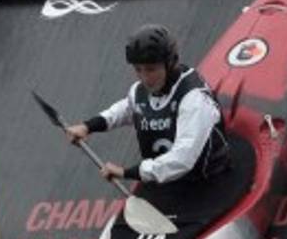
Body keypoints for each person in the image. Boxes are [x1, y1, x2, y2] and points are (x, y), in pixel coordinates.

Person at [64, 24, 229, 184]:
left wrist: (128, 173)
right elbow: (126, 109)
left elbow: (183, 159)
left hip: (207, 182)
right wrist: (88, 126)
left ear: (170, 64)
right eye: (138, 69)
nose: (144, 78)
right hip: (165, 182)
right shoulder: (139, 91)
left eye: (151, 69)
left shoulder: (194, 99)